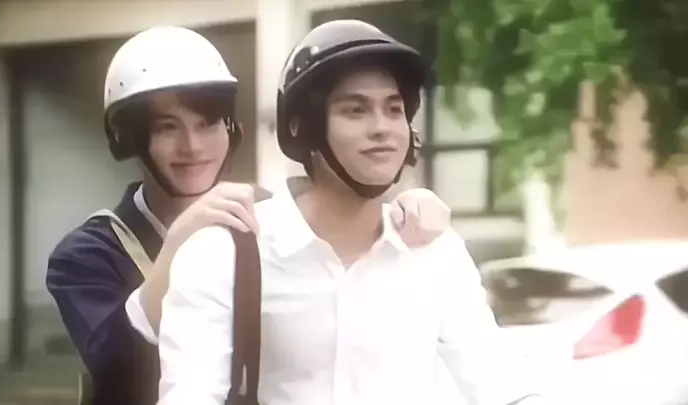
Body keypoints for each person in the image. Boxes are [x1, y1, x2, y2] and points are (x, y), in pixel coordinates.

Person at [46, 25, 454, 405]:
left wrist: (401, 207)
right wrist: (180, 241)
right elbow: (114, 366)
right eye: (168, 127)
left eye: (208, 124)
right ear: (131, 138)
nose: (193, 146)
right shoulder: (87, 252)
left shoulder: (265, 219)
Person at [157, 20, 548, 405]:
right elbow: (190, 393)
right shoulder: (226, 253)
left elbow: (501, 383)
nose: (382, 128)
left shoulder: (433, 249)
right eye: (356, 110)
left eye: (394, 109)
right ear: (303, 128)